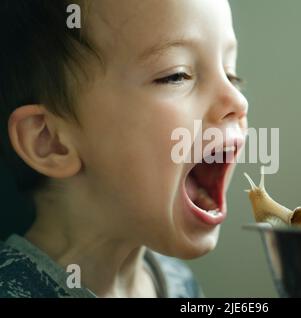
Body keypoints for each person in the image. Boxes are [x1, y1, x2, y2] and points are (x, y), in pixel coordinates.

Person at [0, 0, 248, 298]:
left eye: (231, 74)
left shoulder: (178, 283)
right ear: (50, 141)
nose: (237, 101)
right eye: (176, 75)